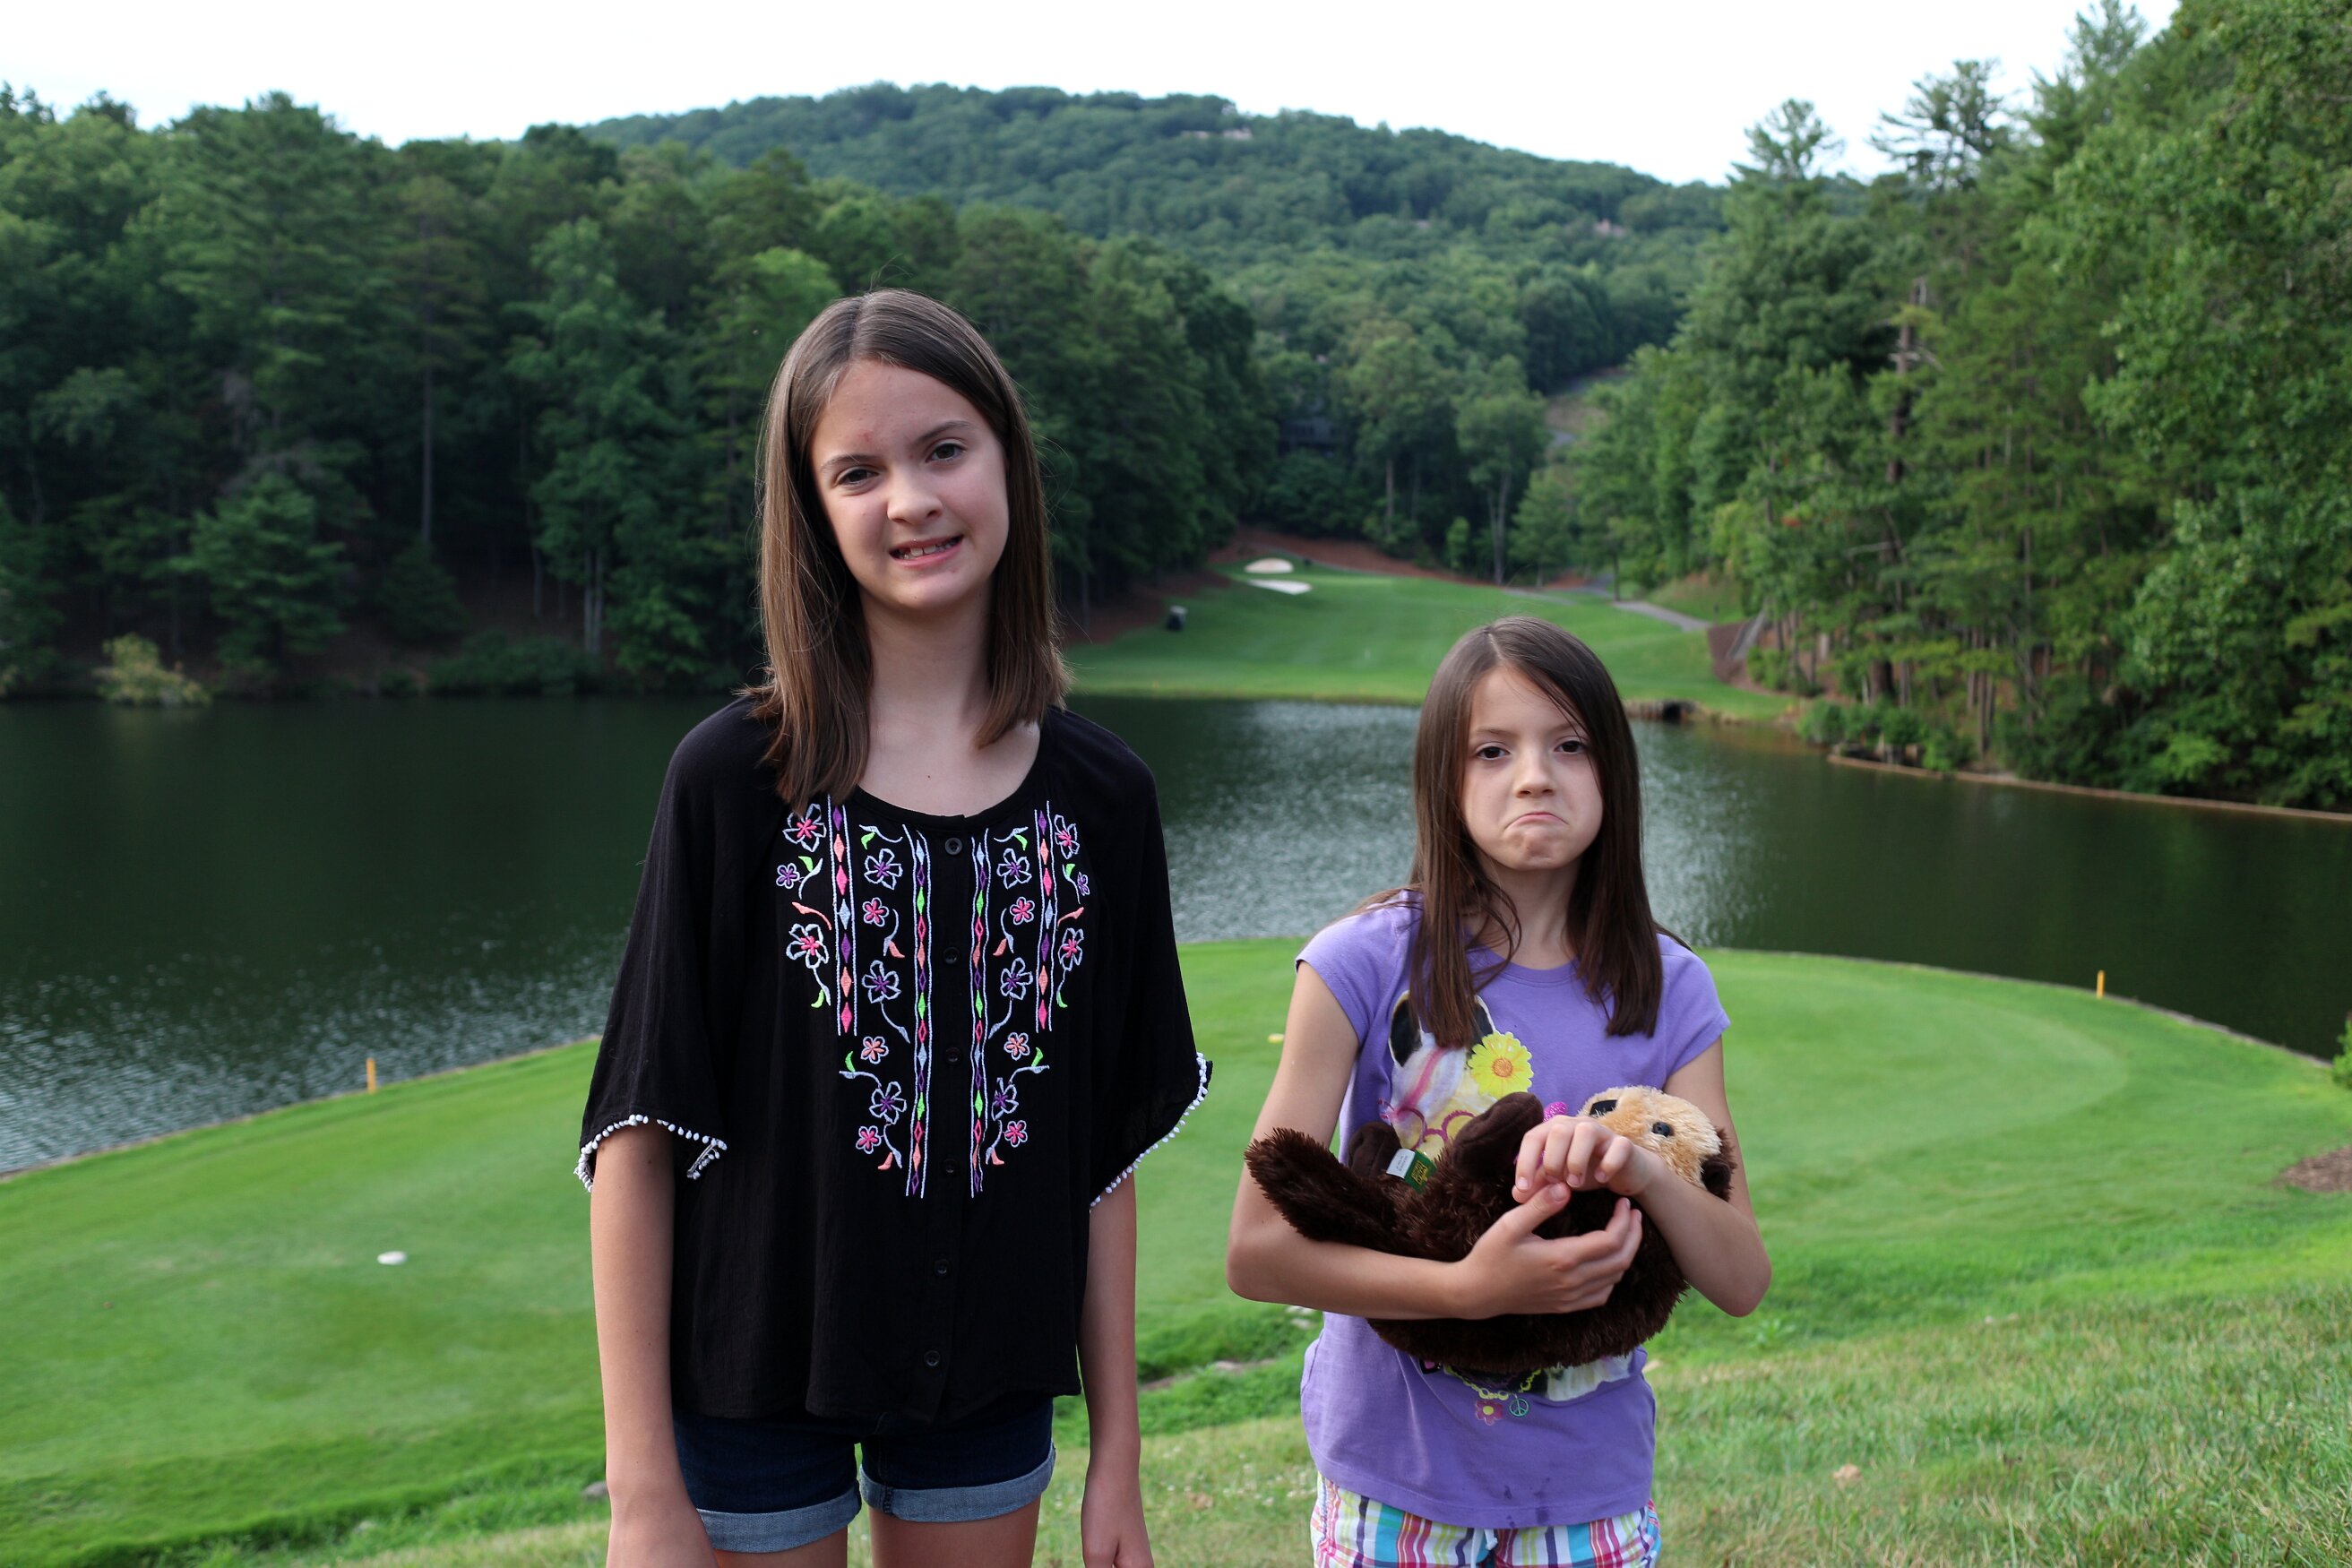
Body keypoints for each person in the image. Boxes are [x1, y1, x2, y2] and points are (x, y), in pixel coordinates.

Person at [579, 290, 1209, 1568]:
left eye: (944, 449)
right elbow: (641, 1132)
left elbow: (1101, 1158)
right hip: (747, 1384)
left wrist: (1120, 1463)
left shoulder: (1104, 800)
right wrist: (641, 1491)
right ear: (811, 509)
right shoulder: (732, 780)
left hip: (989, 1386)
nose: (911, 500)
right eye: (858, 472)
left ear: (1008, 463)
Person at [1227, 616, 1770, 1567]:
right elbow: (1258, 1252)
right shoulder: (1359, 963)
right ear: (1444, 779)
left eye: (1570, 745)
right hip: (1392, 1491)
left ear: (1614, 772)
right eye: (1492, 750)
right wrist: (1468, 1290)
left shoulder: (1672, 988)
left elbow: (1740, 1277)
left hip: (1588, 1500)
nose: (1534, 777)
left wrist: (1642, 1170)